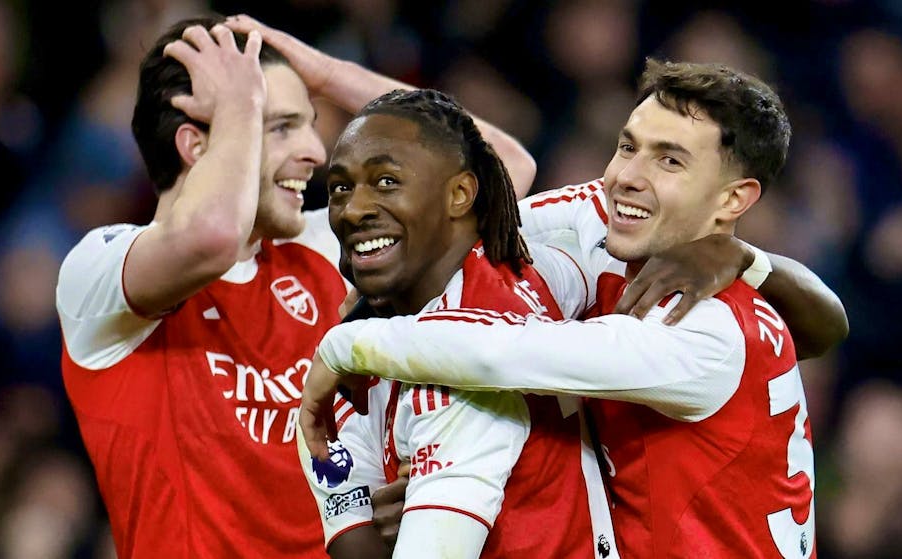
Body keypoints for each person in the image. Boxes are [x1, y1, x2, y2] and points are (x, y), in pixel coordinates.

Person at [302, 59, 847, 557]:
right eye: (628, 146)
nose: (627, 176)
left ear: (733, 200)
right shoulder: (607, 219)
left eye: (670, 160)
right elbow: (475, 229)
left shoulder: (705, 330)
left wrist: (348, 346)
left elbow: (503, 352)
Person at [54, 13, 539, 559]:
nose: (316, 150)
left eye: (310, 122)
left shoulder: (320, 249)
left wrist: (329, 74)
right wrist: (241, 104)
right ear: (195, 145)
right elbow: (211, 235)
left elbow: (500, 170)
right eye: (281, 127)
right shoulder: (99, 272)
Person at [297, 88, 618, 558]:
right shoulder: (546, 266)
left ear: (461, 194)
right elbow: (350, 512)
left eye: (386, 181)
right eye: (340, 187)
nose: (353, 209)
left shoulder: (454, 381)